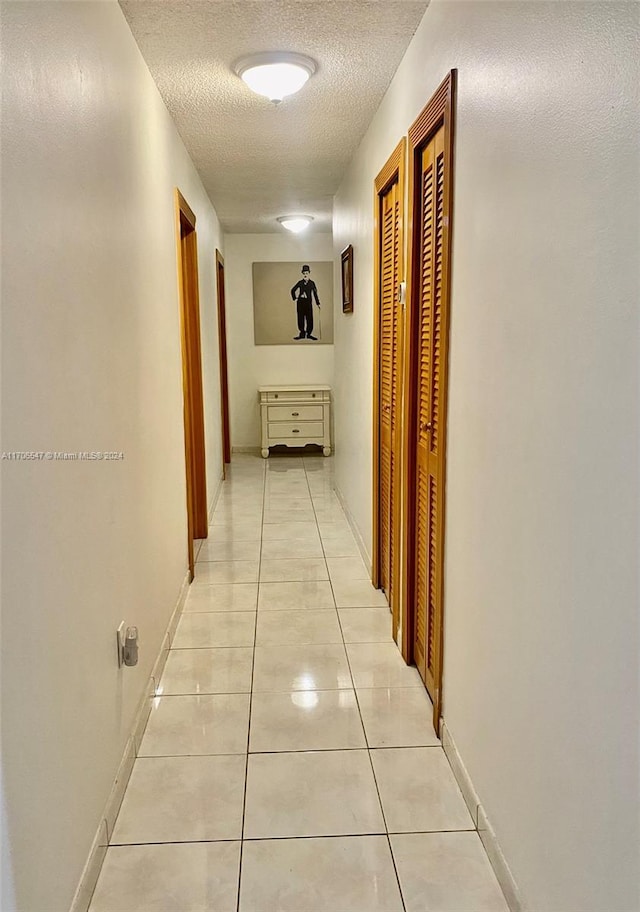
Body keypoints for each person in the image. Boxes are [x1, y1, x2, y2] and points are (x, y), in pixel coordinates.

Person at [290, 264, 321, 340]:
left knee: (309, 318)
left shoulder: (312, 283)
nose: (305, 275)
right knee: (300, 318)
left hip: (308, 303)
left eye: (306, 273)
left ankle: (309, 334)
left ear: (309, 273)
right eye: (304, 273)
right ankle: (302, 334)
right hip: (300, 303)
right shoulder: (300, 282)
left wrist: (318, 303)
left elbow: (315, 294)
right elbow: (292, 290)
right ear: (302, 274)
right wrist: (295, 298)